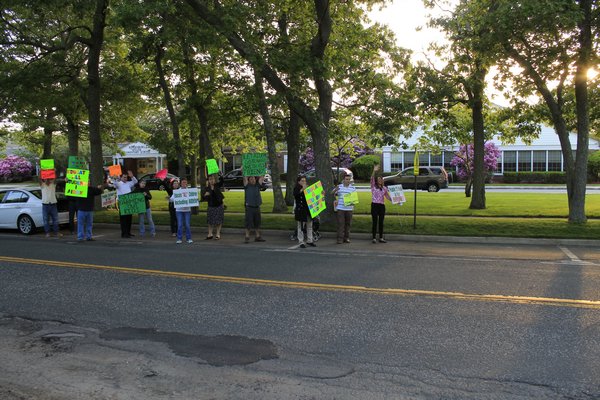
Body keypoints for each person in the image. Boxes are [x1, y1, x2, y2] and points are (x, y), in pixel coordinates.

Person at [111, 170, 138, 238]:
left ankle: (128, 232)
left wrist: (132, 176)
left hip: (129, 202)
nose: (125, 179)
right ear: (121, 177)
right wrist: (115, 178)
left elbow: (135, 182)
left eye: (126, 177)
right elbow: (114, 183)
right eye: (124, 177)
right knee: (123, 219)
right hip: (122, 203)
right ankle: (124, 233)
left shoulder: (128, 183)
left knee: (129, 218)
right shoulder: (119, 184)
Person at [242, 167, 266, 243]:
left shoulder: (257, 185)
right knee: (248, 222)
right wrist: (243, 169)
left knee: (257, 222)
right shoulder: (247, 186)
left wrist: (262, 166)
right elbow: (244, 176)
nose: (252, 179)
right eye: (251, 178)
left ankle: (257, 236)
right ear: (248, 180)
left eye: (254, 178)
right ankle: (247, 236)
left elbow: (262, 176)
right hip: (249, 207)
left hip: (257, 207)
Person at [332, 172, 356, 244]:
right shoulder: (339, 187)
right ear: (344, 180)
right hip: (341, 208)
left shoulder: (352, 188)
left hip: (349, 209)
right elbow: (332, 193)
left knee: (348, 224)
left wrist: (353, 202)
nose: (348, 180)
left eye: (349, 179)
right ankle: (339, 239)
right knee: (341, 224)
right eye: (346, 179)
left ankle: (346, 238)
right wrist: (335, 191)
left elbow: (354, 199)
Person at [293, 175, 316, 248]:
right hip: (301, 210)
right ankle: (301, 242)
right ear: (299, 182)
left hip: (308, 210)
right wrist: (302, 189)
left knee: (310, 226)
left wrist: (320, 193)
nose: (304, 182)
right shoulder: (296, 188)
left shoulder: (308, 188)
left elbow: (314, 196)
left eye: (305, 181)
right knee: (300, 227)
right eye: (302, 181)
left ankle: (310, 240)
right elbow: (296, 195)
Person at [370, 164, 391, 243]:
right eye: (378, 179)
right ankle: (374, 238)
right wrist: (374, 171)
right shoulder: (373, 187)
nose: (380, 180)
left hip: (382, 206)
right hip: (374, 205)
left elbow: (388, 197)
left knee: (381, 222)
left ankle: (381, 237)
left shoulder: (384, 188)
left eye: (381, 179)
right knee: (375, 221)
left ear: (382, 181)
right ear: (376, 180)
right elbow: (371, 178)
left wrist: (396, 200)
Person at [202, 174, 224, 240]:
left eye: (213, 179)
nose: (212, 180)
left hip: (219, 205)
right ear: (208, 181)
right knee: (210, 221)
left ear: (214, 180)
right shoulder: (206, 188)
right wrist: (205, 195)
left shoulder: (217, 185)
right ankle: (210, 234)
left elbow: (222, 181)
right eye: (210, 179)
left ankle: (218, 234)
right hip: (211, 206)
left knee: (219, 221)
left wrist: (221, 174)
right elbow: (203, 198)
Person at [171, 178, 193, 244]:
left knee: (187, 225)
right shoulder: (177, 191)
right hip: (179, 210)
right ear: (180, 183)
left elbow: (193, 198)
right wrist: (169, 199)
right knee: (180, 225)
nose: (184, 184)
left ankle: (188, 238)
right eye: (183, 182)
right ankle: (179, 238)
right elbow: (172, 199)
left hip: (187, 210)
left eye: (185, 182)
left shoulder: (190, 191)